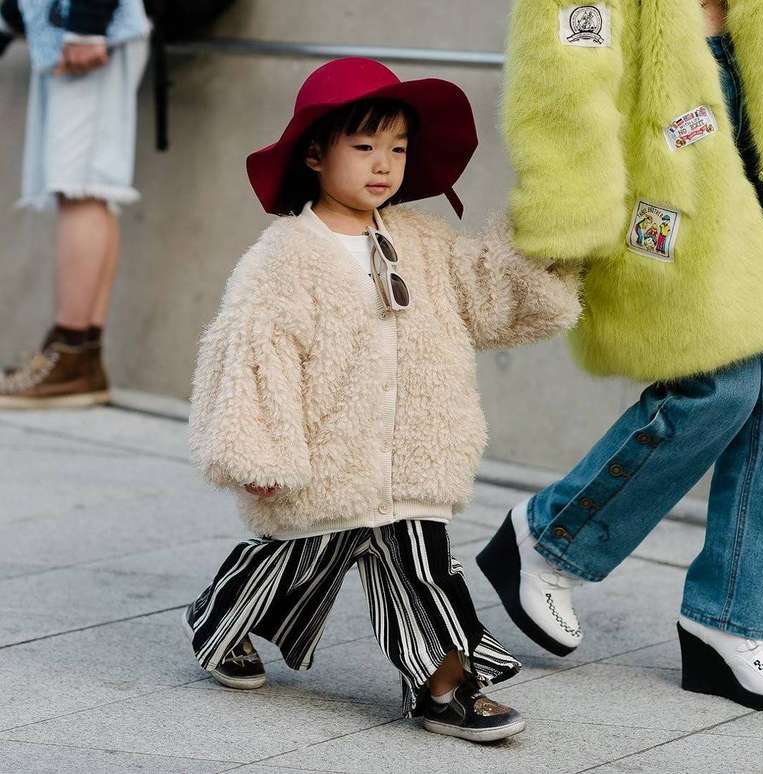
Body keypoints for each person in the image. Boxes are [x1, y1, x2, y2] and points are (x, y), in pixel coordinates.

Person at [181, 57, 581, 742]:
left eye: (397, 148)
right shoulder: (284, 257)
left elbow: (486, 295)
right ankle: (221, 622)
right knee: (292, 561)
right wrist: (260, 450)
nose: (383, 164)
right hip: (325, 462)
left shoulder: (421, 240)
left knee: (421, 567)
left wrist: (549, 241)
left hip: (415, 456)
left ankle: (444, 683)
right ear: (315, 153)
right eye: (363, 146)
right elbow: (250, 355)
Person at [478, 0, 763, 711]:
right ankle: (550, 538)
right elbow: (562, 87)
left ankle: (734, 619)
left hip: (757, 190)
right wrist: (566, 218)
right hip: (663, 206)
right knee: (718, 388)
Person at [0, 0, 150, 408]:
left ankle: (70, 354)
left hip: (85, 30)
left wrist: (86, 23)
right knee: (88, 188)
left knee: (80, 186)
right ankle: (80, 359)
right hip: (65, 30)